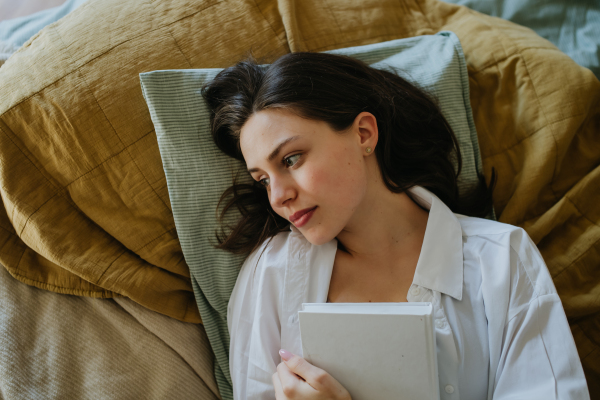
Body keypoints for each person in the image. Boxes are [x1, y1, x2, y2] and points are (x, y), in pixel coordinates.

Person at [201, 52, 589, 400]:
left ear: (363, 133)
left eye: (290, 159)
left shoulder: (503, 260)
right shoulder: (271, 273)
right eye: (263, 179)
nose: (277, 197)